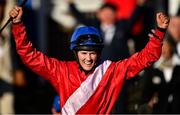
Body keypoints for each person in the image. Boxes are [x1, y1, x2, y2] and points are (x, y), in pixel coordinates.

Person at [9, 5, 169, 114]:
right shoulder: (60, 70)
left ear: (99, 53)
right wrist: (17, 24)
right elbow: (29, 55)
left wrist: (160, 31)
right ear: (75, 53)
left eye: (92, 53)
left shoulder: (111, 71)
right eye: (84, 53)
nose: (88, 58)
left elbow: (145, 58)